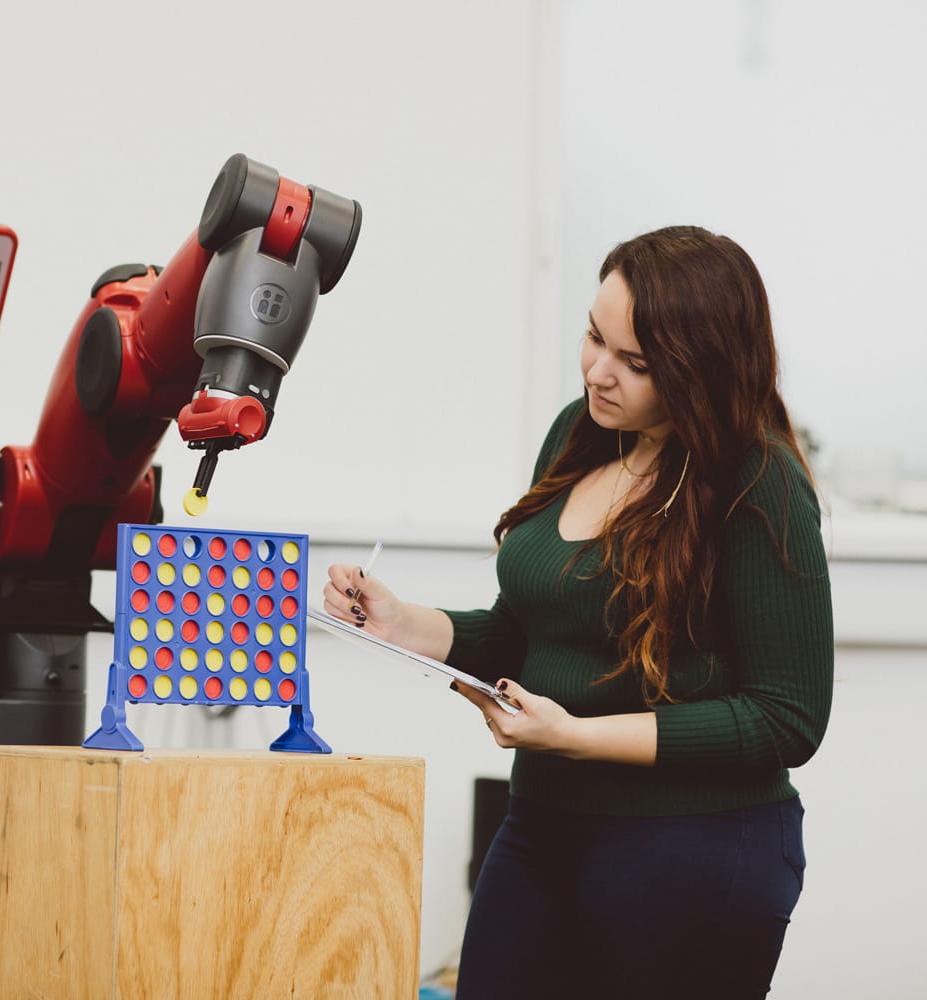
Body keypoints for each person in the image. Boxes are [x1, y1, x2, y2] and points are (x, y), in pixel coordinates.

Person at [323, 226, 833, 999]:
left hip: (695, 850)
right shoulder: (584, 432)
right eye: (594, 337)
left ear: (702, 368)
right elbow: (528, 632)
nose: (598, 372)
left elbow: (786, 719)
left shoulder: (759, 482)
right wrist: (401, 623)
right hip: (542, 825)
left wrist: (577, 736)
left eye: (636, 363)